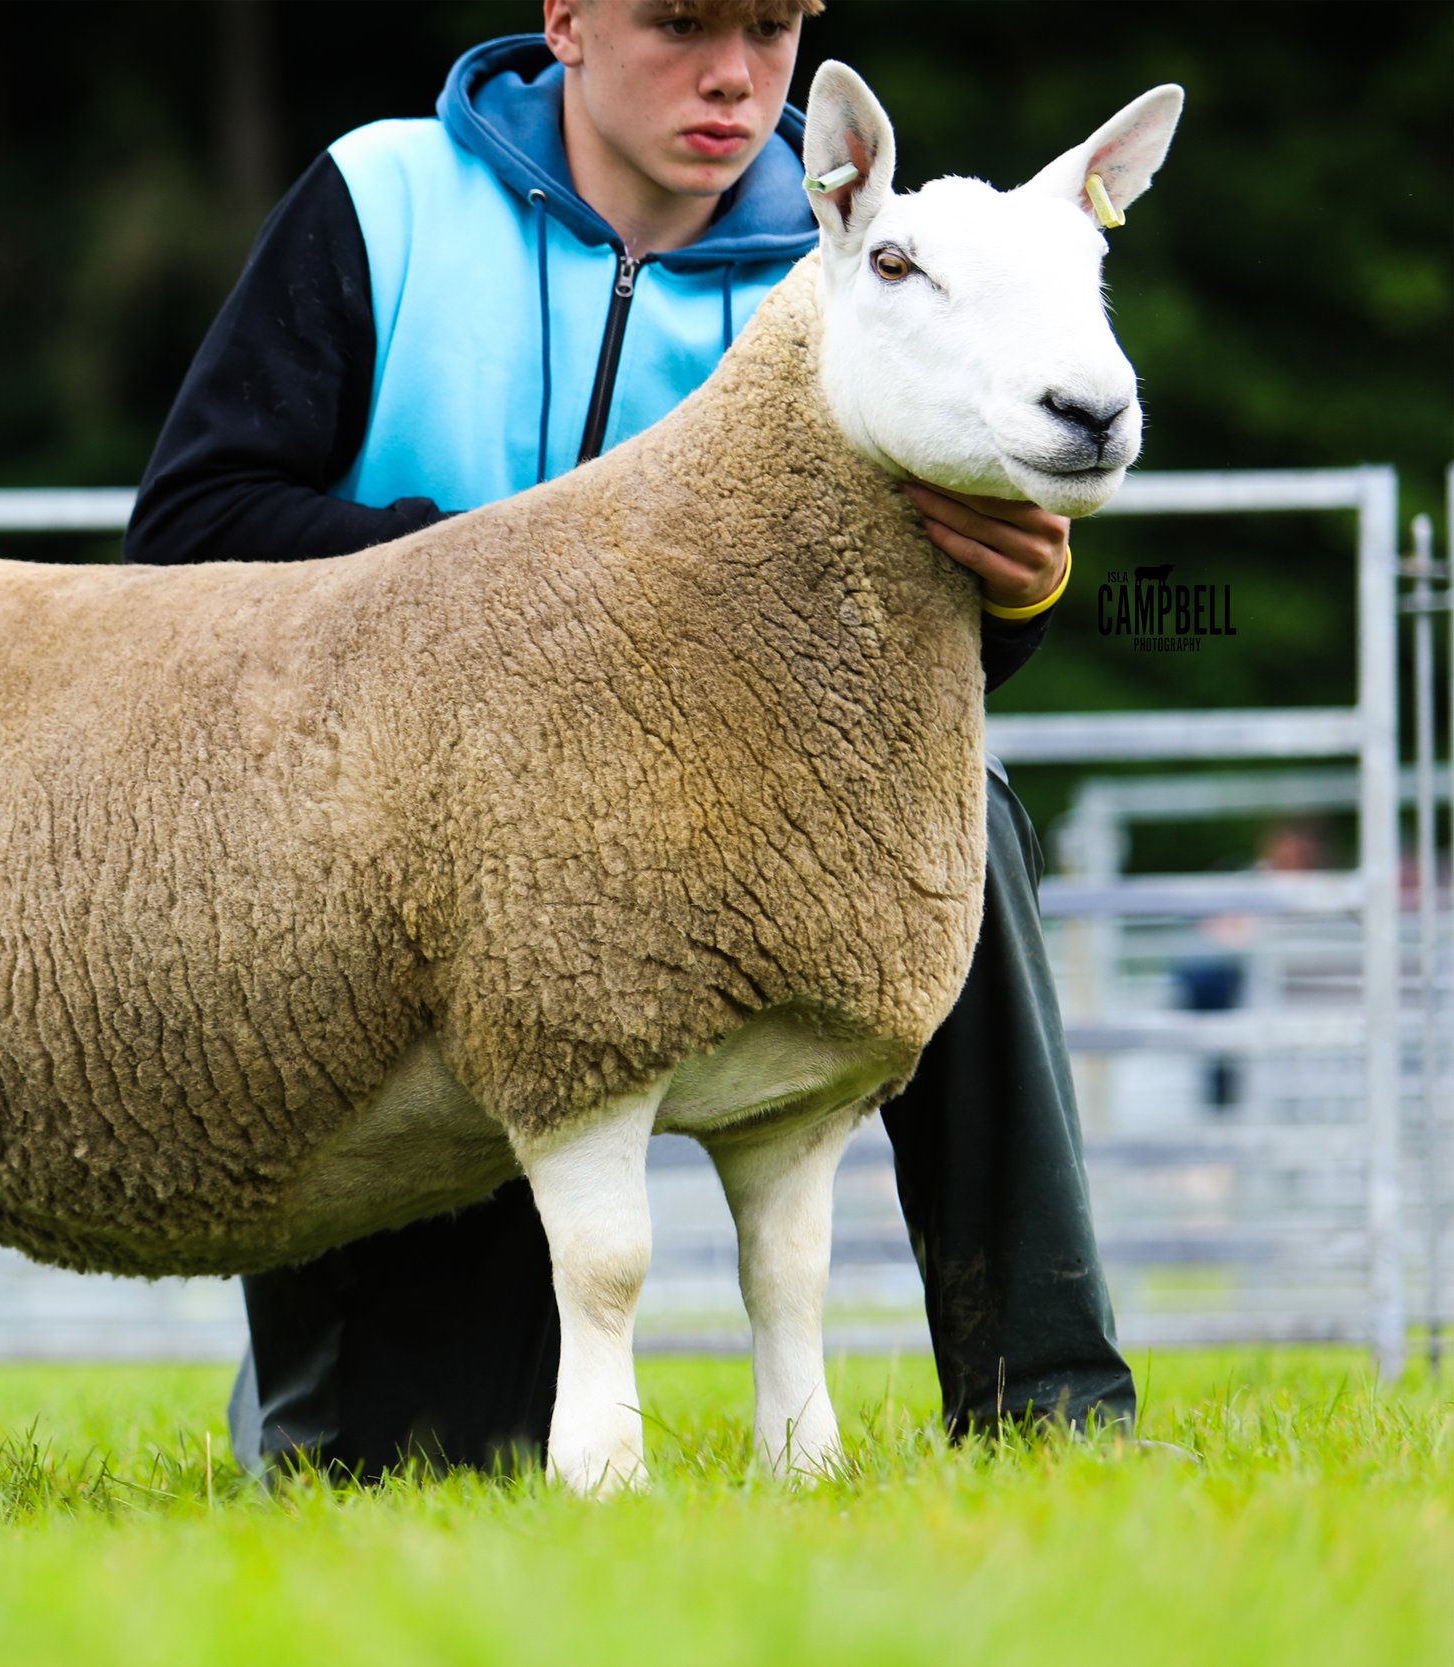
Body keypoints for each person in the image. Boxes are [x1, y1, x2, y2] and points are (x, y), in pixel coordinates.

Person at [123, 0, 1137, 1477]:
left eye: (772, 27)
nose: (734, 74)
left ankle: (1050, 1406)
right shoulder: (385, 202)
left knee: (956, 822)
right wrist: (520, 591)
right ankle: (328, 1383)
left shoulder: (874, 260)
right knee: (421, 1464)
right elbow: (189, 533)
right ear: (568, 22)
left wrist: (1024, 589)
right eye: (678, 23)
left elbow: (914, 654)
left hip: (720, 843)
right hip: (409, 855)